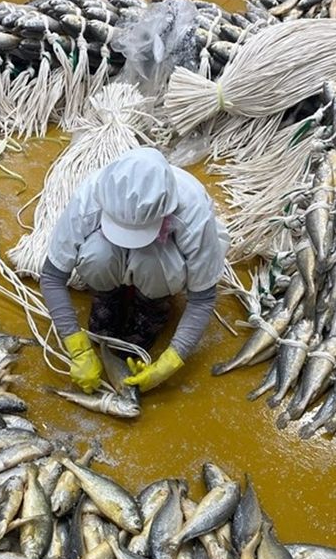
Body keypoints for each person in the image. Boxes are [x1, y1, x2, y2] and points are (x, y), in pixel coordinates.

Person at [39, 147, 229, 394]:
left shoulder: (192, 209)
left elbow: (202, 298)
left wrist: (172, 358)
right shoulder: (91, 195)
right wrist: (77, 346)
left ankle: (152, 308)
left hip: (162, 257)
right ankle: (107, 298)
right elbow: (53, 276)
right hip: (108, 253)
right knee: (98, 254)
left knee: (151, 259)